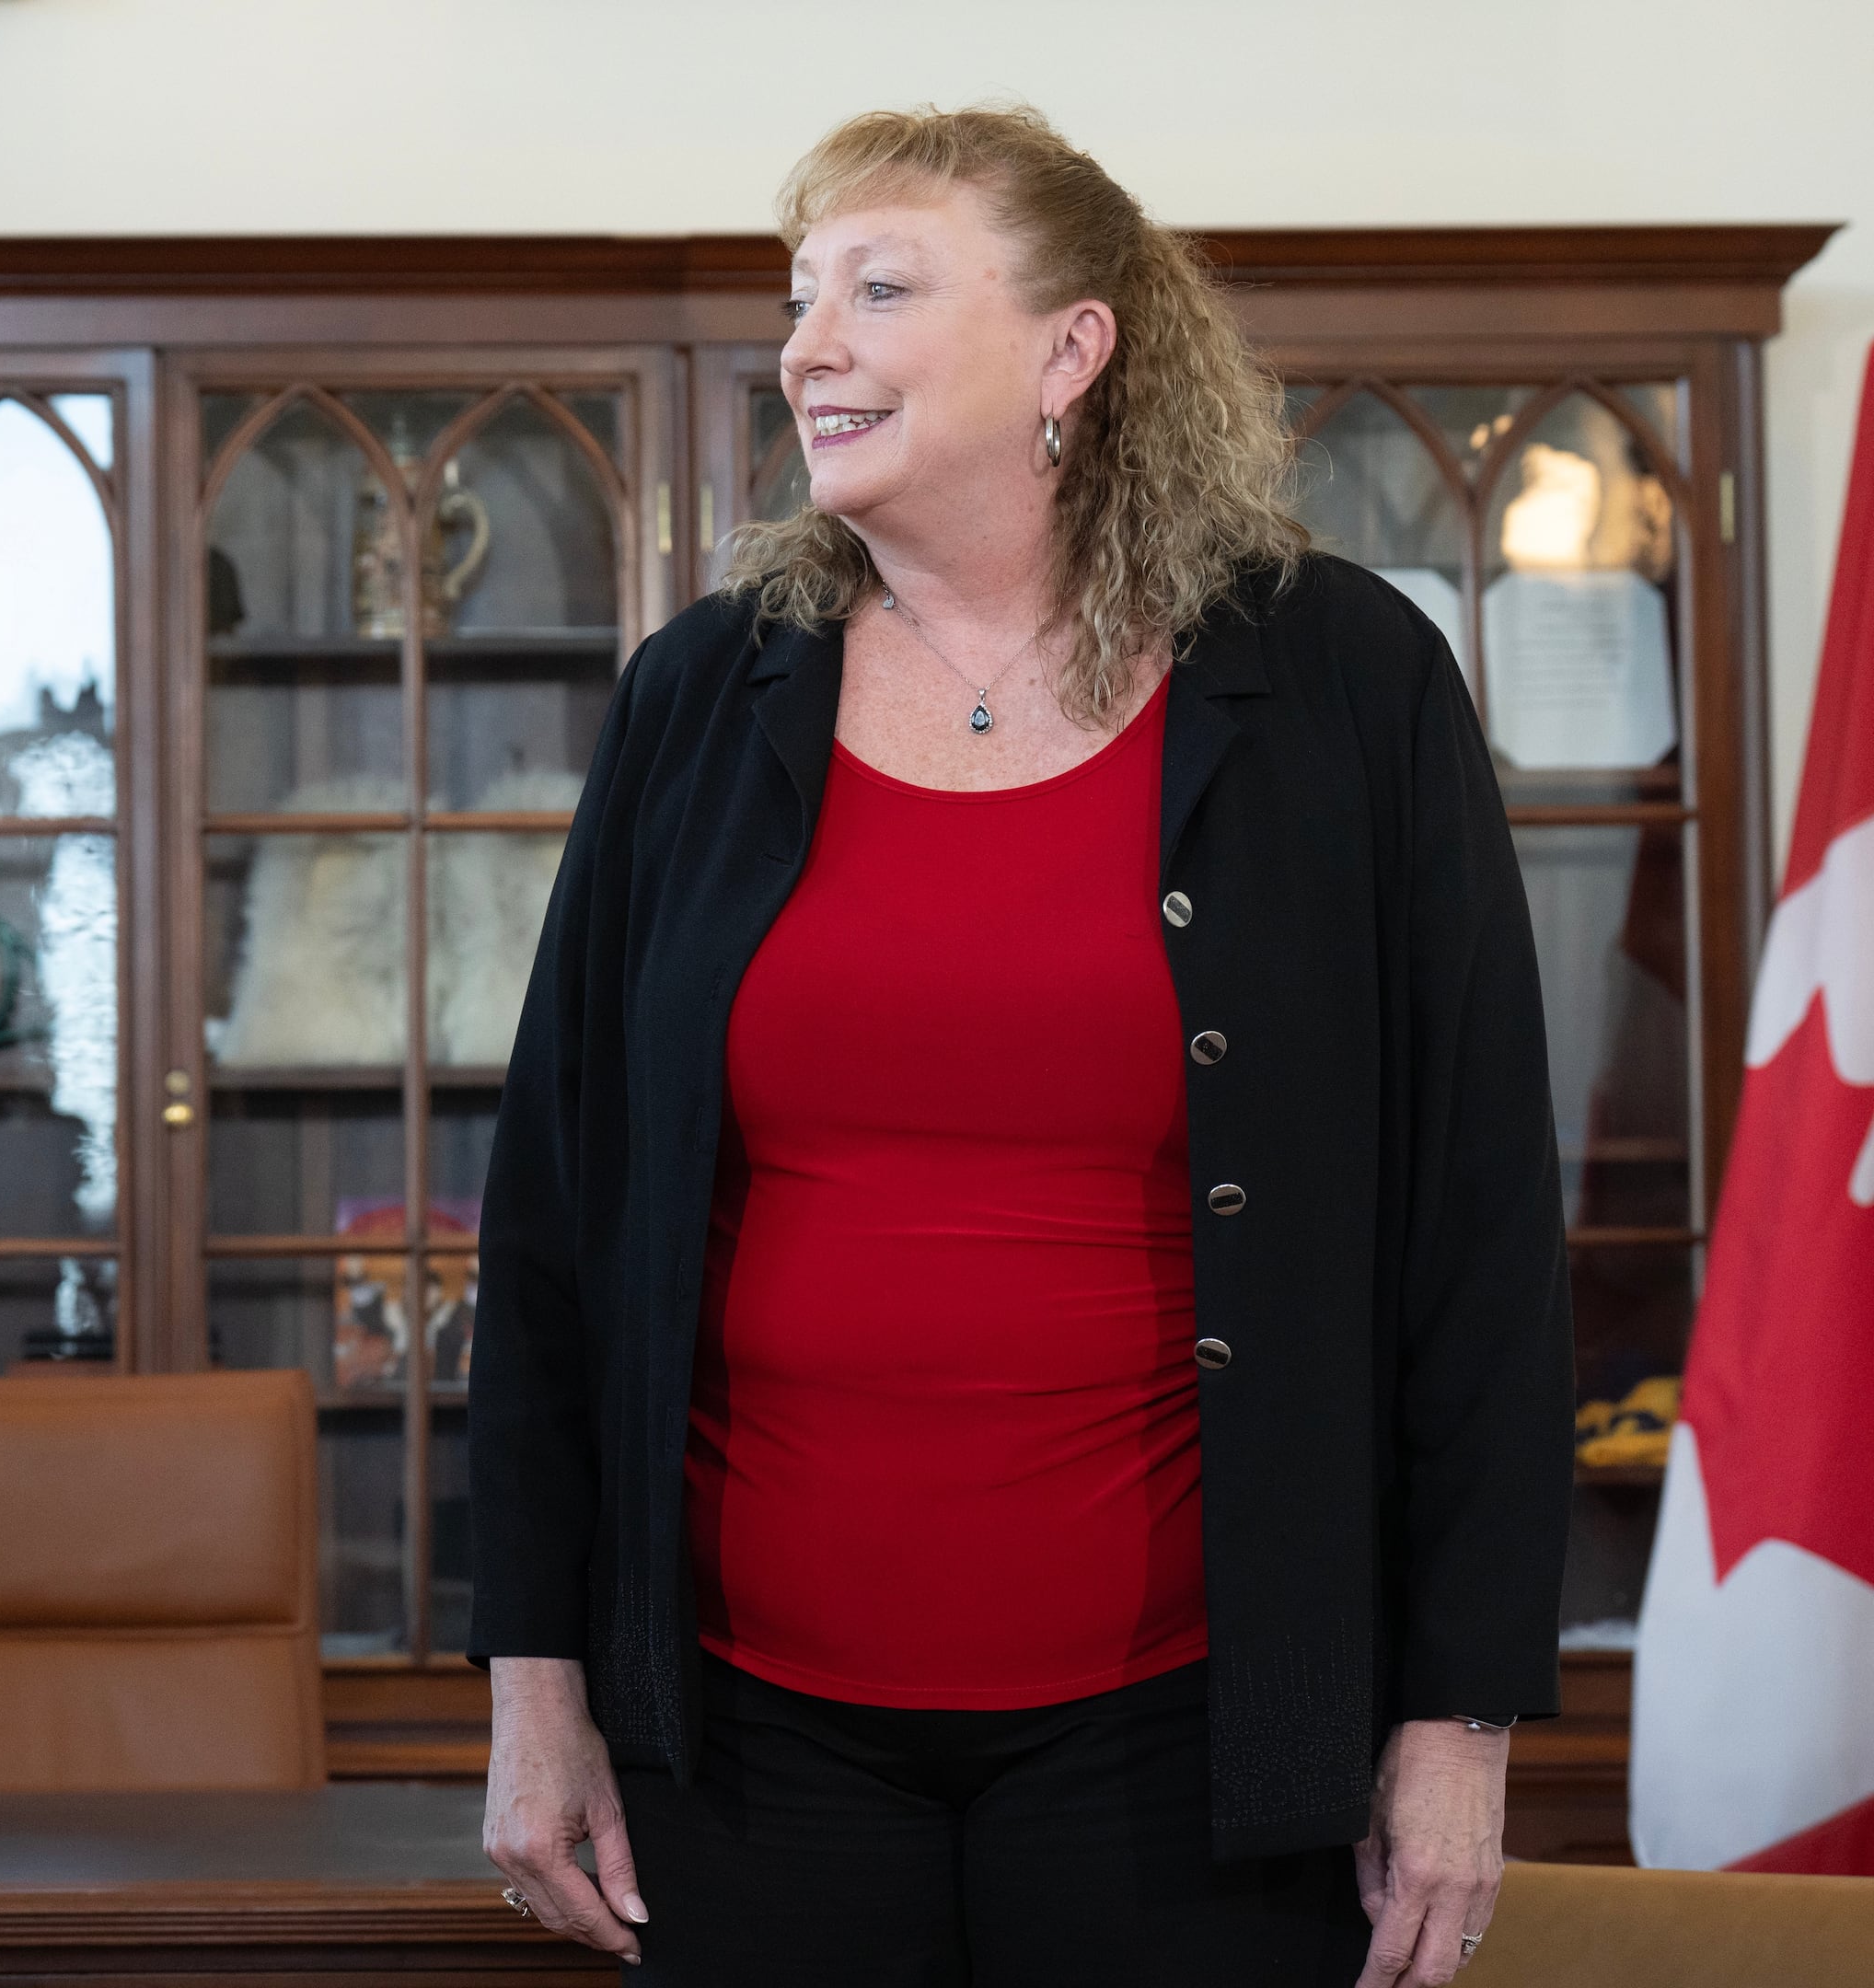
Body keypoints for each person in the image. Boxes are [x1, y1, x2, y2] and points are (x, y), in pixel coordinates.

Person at [468, 107, 1571, 1987]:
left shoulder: (1345, 680)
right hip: (743, 1741)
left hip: (1197, 1736)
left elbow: (1479, 1232)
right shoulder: (698, 694)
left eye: (881, 289)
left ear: (1074, 350)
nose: (810, 345)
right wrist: (536, 1679)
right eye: (800, 297)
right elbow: (556, 1223)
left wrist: (1461, 1718)